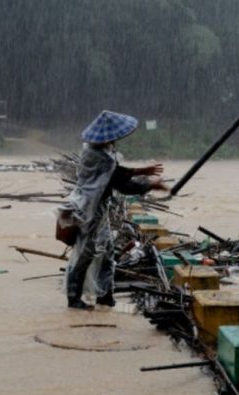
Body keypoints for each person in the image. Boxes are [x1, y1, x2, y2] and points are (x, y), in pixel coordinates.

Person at [61, 110, 167, 310]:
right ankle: (74, 298)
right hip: (87, 211)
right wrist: (148, 180)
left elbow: (118, 179)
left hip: (98, 209)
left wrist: (146, 181)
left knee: (107, 251)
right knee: (86, 253)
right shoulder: (94, 154)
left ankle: (105, 295)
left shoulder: (104, 153)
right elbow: (119, 181)